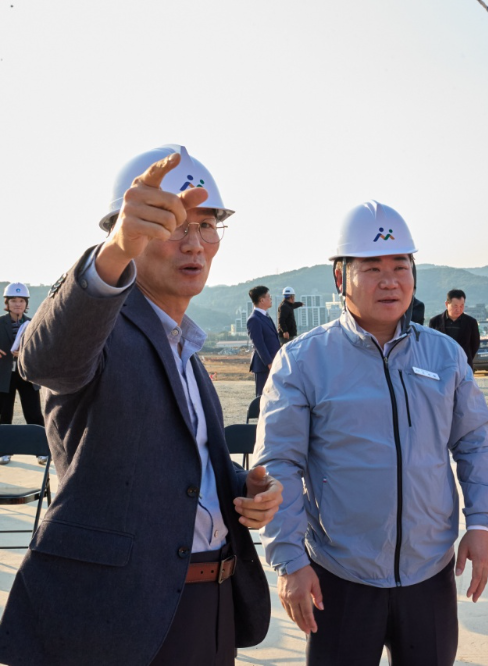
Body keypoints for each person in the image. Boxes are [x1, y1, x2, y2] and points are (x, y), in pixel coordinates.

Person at [0, 145, 283, 665]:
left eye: (206, 225)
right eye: (172, 224)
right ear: (128, 230)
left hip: (208, 603)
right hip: (119, 616)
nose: (193, 243)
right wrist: (113, 253)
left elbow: (169, 468)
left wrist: (243, 491)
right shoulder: (99, 325)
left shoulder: (186, 349)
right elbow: (44, 361)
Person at [253, 201, 488, 665]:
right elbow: (279, 464)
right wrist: (290, 560)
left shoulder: (444, 356)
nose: (390, 280)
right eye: (371, 268)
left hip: (429, 573)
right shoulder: (304, 360)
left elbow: (474, 443)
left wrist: (481, 523)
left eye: (400, 266)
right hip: (340, 577)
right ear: (340, 276)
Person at [0, 282, 45, 465]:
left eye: (21, 301)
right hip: (3, 376)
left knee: (34, 413)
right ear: (7, 302)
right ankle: (4, 451)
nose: (17, 304)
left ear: (26, 303)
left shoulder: (33, 323)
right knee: (4, 415)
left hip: (27, 374)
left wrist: (26, 352)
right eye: (13, 301)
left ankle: (42, 451)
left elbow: (42, 348)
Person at [429, 289, 481, 368]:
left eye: (462, 306)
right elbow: (431, 345)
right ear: (447, 304)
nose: (459, 309)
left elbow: (475, 345)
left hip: (464, 365)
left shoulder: (471, 322)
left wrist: (466, 357)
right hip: (441, 365)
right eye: (455, 306)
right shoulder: (435, 322)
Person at [247, 285, 281, 396]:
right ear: (262, 300)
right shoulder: (254, 319)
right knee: (262, 397)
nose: (270, 299)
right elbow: (259, 344)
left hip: (273, 362)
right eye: (268, 297)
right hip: (264, 366)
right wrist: (269, 363)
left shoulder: (266, 316)